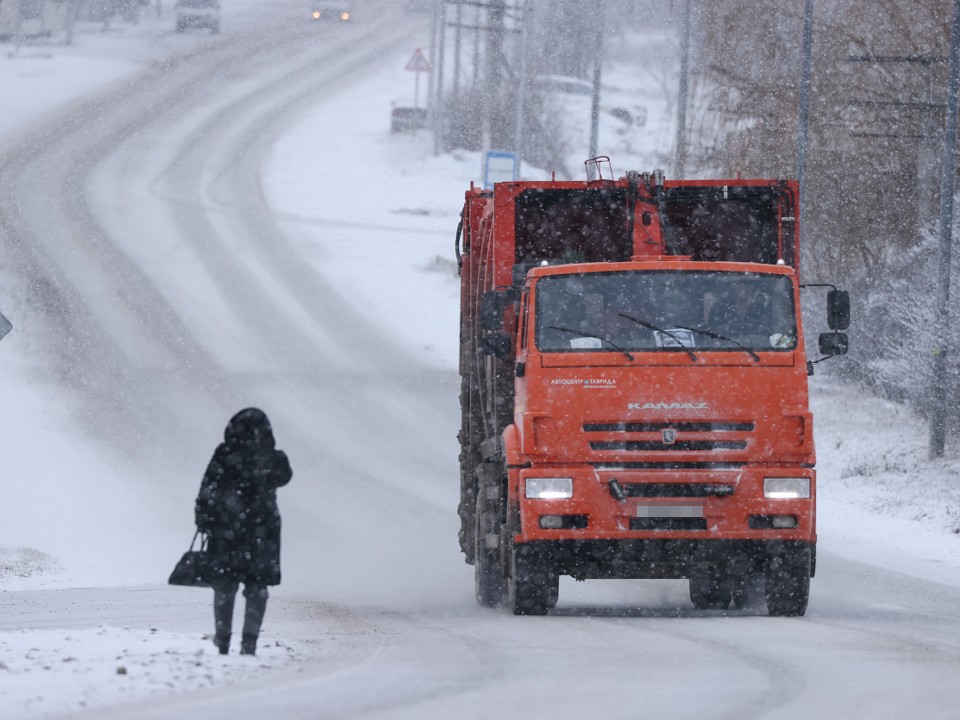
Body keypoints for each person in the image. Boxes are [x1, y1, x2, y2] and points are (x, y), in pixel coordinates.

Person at [195, 408, 292, 656]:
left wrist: (204, 518)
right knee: (257, 587)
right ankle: (249, 642)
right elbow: (284, 477)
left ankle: (223, 638)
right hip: (262, 531)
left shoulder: (225, 453)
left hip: (227, 528)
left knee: (225, 586)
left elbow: (208, 487)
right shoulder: (270, 457)